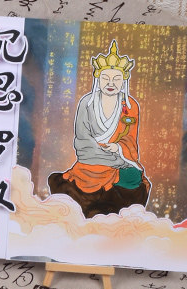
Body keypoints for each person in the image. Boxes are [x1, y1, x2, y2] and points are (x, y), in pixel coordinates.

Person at [48, 40, 150, 218]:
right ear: (98, 79)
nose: (111, 83)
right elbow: (82, 141)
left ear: (123, 81)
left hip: (119, 160)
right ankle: (96, 208)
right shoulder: (87, 103)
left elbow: (130, 140)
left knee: (134, 178)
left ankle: (109, 209)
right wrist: (105, 156)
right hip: (91, 160)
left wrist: (117, 148)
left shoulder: (130, 105)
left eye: (116, 79)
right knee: (86, 180)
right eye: (106, 78)